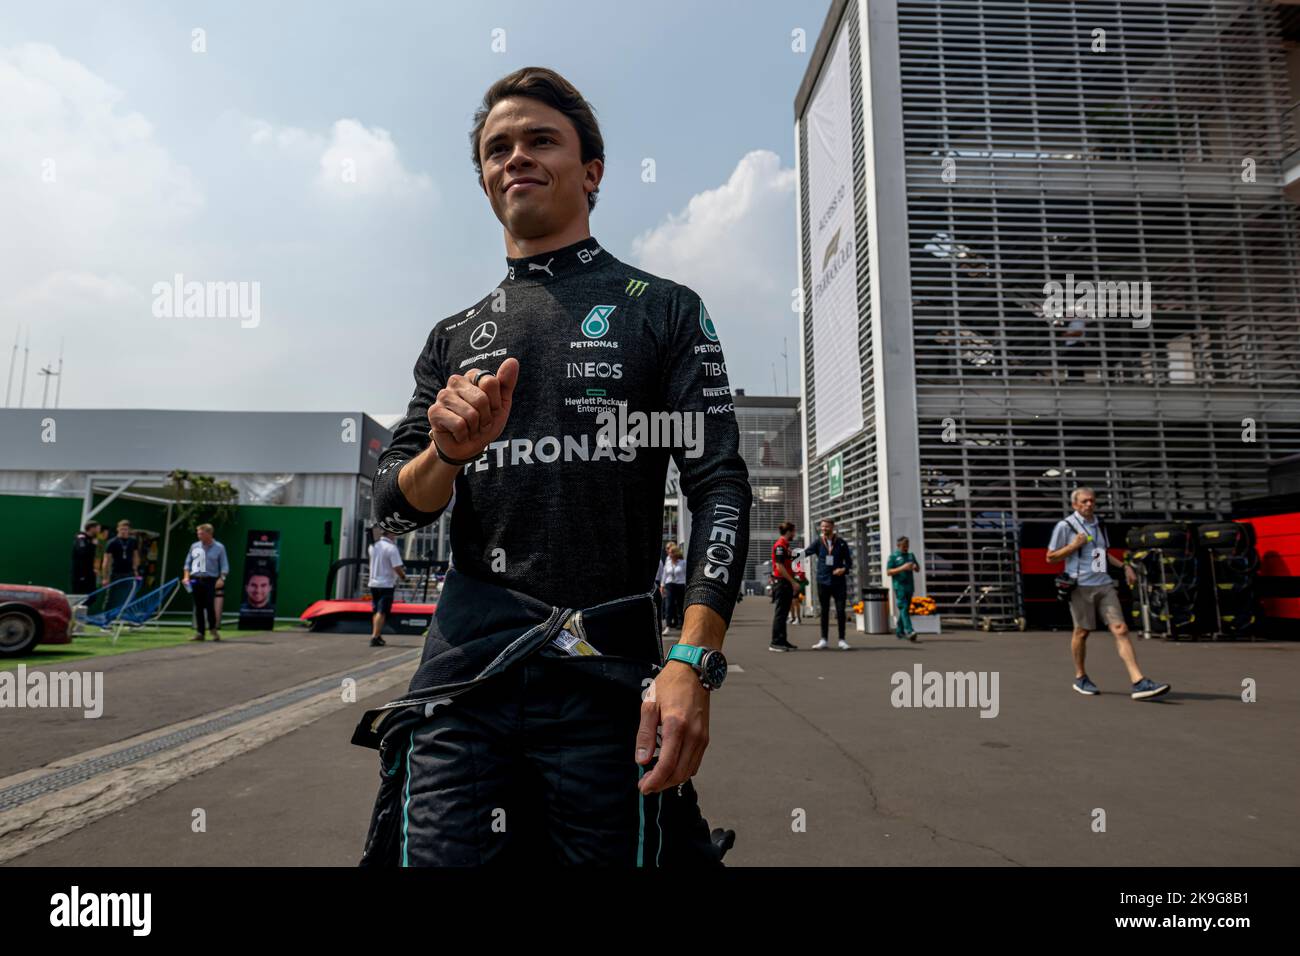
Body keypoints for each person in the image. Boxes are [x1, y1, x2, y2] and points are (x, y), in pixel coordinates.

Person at [361, 67, 751, 866]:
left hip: (608, 689)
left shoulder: (663, 307)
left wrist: (693, 659)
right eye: (497, 148)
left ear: (591, 171)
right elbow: (394, 508)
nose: (516, 158)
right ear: (482, 179)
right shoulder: (453, 336)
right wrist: (447, 452)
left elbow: (717, 485)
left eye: (541, 140)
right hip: (464, 688)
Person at [1047, 487, 1170, 700]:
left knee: (1121, 629)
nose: (1089, 505)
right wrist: (1073, 546)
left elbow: (1100, 553)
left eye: (1092, 501)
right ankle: (1081, 676)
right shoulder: (1065, 526)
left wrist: (1124, 566)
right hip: (1080, 586)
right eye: (1084, 501)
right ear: (1075, 504)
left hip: (1103, 584)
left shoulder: (1099, 524)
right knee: (1082, 632)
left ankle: (1139, 682)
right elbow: (1051, 557)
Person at [805, 518, 854, 650]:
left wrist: (843, 569)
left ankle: (842, 640)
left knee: (840, 611)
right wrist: (790, 556)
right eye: (822, 527)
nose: (824, 529)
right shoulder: (818, 543)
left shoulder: (842, 543)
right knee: (824, 611)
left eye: (826, 527)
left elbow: (849, 563)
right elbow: (806, 553)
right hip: (823, 581)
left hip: (838, 582)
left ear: (833, 527)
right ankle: (823, 640)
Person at [182, 523, 229, 642]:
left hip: (211, 580)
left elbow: (224, 566)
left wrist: (221, 579)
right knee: (198, 607)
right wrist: (186, 577)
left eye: (201, 534)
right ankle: (200, 632)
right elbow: (187, 563)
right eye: (198, 533)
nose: (199, 536)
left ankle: (213, 629)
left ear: (209, 534)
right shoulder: (194, 546)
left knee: (209, 605)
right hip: (196, 579)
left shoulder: (219, 547)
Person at [367, 526, 408, 647]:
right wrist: (404, 577)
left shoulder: (373, 547)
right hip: (386, 584)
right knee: (382, 611)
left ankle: (377, 635)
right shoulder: (391, 548)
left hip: (373, 582)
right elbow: (396, 567)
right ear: (390, 533)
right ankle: (374, 636)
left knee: (376, 611)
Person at [769, 522, 801, 651]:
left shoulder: (785, 545)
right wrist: (793, 582)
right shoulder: (780, 546)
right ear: (789, 531)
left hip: (784, 582)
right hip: (782, 582)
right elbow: (779, 566)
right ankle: (775, 642)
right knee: (781, 613)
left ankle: (782, 640)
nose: (795, 534)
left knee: (783, 612)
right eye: (793, 531)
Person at [886, 536, 920, 641]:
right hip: (899, 586)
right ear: (898, 546)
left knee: (905, 609)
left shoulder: (911, 555)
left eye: (907, 546)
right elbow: (888, 572)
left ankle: (899, 632)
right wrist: (902, 568)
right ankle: (910, 631)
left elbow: (918, 568)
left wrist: (915, 567)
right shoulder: (893, 557)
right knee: (904, 608)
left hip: (910, 586)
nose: (906, 548)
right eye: (904, 546)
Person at [101, 520, 140, 590]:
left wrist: (136, 570)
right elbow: (106, 561)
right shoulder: (111, 542)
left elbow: (136, 556)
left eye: (126, 529)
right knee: (112, 597)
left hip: (129, 573)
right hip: (115, 573)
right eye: (121, 529)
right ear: (117, 529)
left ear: (129, 530)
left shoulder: (133, 541)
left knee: (127, 595)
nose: (123, 531)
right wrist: (105, 578)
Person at [71, 520, 101, 594]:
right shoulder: (81, 538)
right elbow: (82, 552)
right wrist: (93, 545)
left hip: (90, 572)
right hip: (80, 572)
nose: (99, 530)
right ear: (91, 528)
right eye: (97, 528)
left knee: (92, 595)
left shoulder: (92, 540)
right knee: (79, 595)